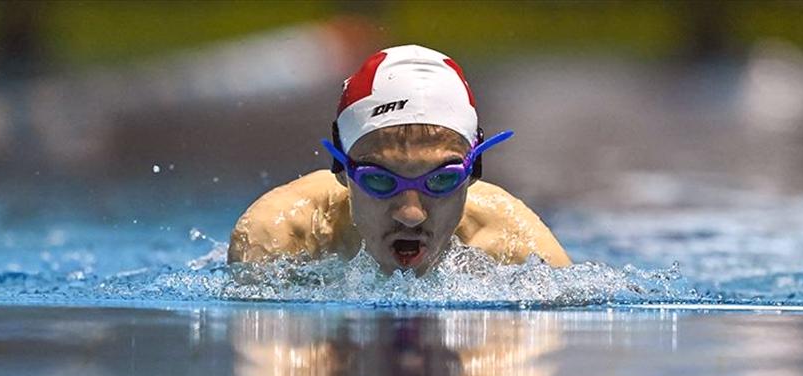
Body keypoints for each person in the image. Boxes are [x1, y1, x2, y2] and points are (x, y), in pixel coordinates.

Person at [228, 45, 571, 275]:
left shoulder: (518, 250)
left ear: (473, 170)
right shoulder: (280, 236)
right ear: (341, 169)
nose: (411, 215)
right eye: (379, 179)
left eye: (442, 179)